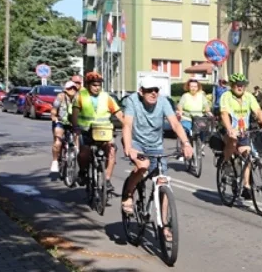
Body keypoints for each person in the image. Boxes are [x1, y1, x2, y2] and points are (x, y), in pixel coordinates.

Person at [120, 75, 193, 222]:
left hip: (156, 146)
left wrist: (186, 143)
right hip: (136, 142)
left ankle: (164, 223)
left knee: (163, 182)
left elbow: (175, 124)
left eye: (156, 90)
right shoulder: (132, 100)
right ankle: (128, 195)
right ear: (141, 91)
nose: (153, 93)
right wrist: (129, 147)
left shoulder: (163, 101)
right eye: (149, 90)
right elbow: (127, 125)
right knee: (143, 165)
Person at [220, 73, 262, 199]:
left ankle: (246, 186)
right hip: (230, 129)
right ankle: (226, 163)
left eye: (242, 85)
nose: (240, 87)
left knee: (247, 154)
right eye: (237, 85)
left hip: (244, 131)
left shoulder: (249, 97)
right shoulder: (226, 96)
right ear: (232, 86)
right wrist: (230, 129)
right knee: (232, 141)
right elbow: (224, 114)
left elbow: (258, 111)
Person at [71, 71, 123, 194]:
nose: (97, 87)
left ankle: (107, 180)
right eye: (94, 85)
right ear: (88, 85)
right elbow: (74, 114)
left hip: (104, 131)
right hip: (86, 131)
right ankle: (83, 171)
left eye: (99, 85)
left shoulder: (107, 97)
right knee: (84, 154)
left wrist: (127, 124)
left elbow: (119, 114)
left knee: (111, 151)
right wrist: (76, 127)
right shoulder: (80, 96)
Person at [176, 79, 212, 160]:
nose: (193, 88)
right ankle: (184, 149)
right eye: (191, 86)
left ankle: (200, 146)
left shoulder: (201, 96)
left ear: (198, 87)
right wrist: (180, 111)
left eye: (195, 86)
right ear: (188, 87)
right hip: (187, 117)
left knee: (204, 130)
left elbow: (206, 106)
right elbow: (180, 105)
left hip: (199, 118)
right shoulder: (185, 96)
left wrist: (209, 112)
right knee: (185, 131)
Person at [49, 81, 79, 174]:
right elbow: (53, 110)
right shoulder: (60, 97)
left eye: (74, 88)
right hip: (60, 122)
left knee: (77, 136)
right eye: (70, 88)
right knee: (58, 142)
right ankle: (55, 161)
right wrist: (54, 118)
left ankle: (76, 154)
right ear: (66, 89)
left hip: (72, 122)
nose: (72, 90)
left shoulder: (78, 98)